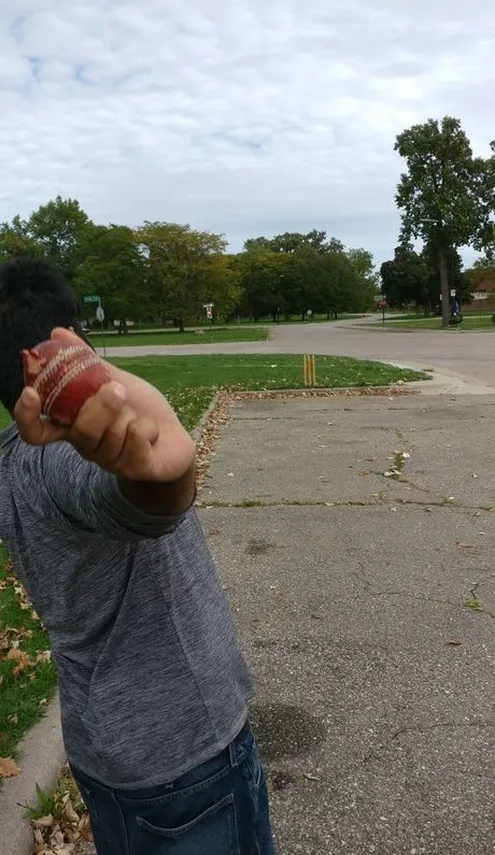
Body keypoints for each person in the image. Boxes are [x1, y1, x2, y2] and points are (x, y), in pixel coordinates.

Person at [0, 257, 275, 855]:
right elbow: (141, 497)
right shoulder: (65, 460)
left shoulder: (10, 459)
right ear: (70, 339)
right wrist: (165, 475)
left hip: (115, 749)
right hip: (181, 762)